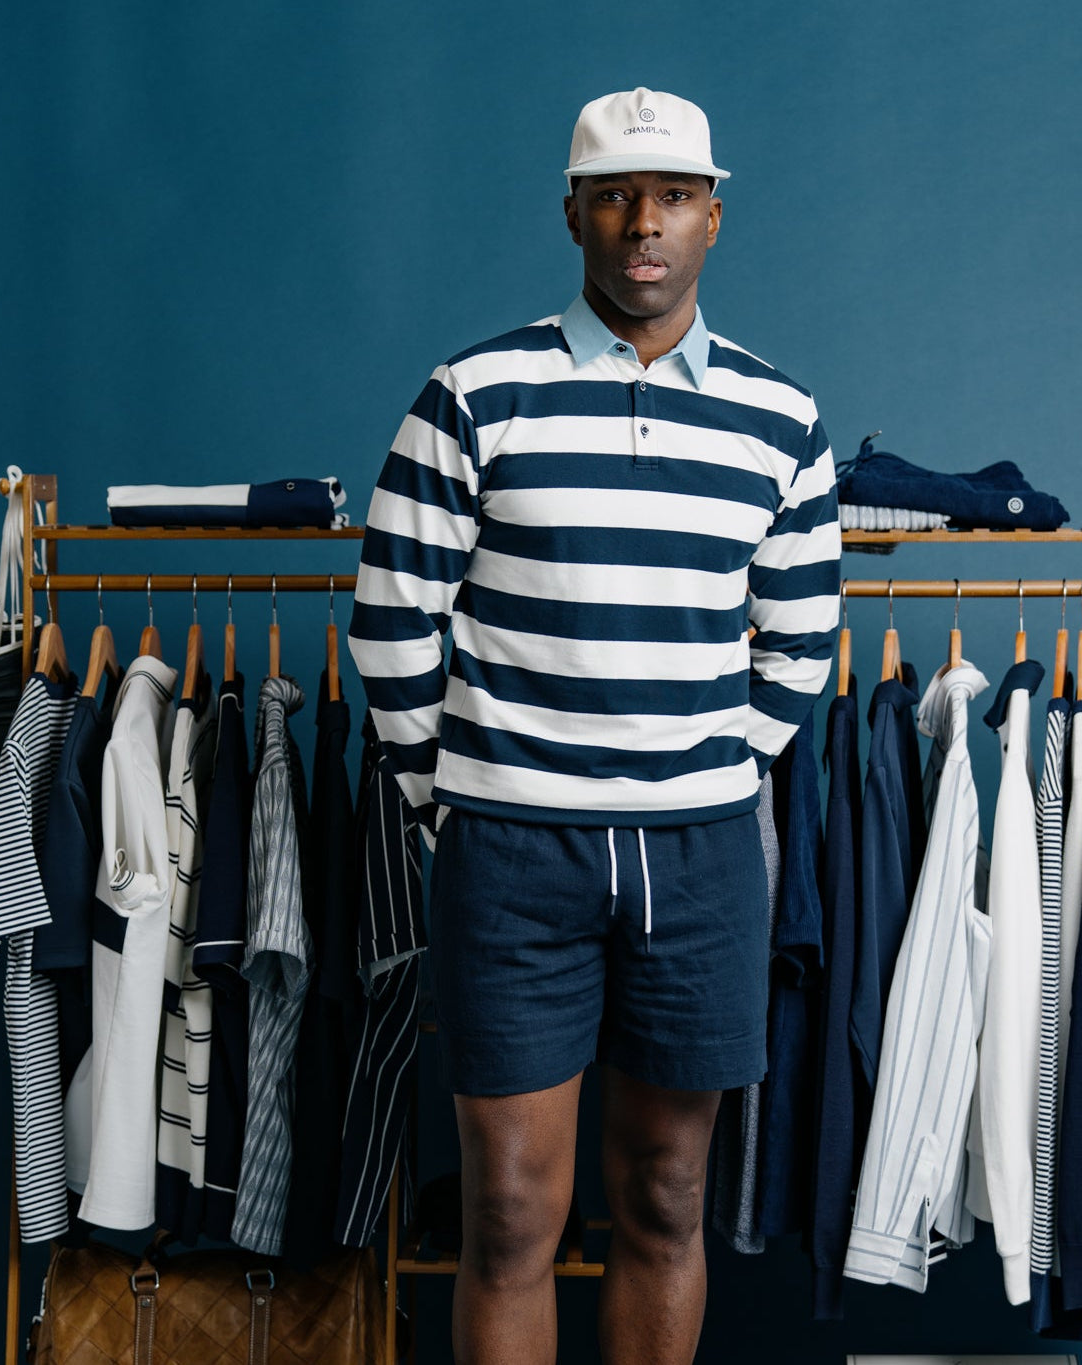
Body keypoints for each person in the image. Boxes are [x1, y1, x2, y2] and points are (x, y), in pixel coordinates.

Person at [348, 85, 841, 1365]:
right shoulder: (474, 393)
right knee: (511, 1210)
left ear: (714, 219)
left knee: (666, 1200)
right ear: (573, 213)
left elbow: (801, 641)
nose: (645, 224)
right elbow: (393, 623)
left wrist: (716, 773)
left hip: (701, 853)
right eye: (618, 196)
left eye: (673, 195)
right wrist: (449, 800)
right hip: (514, 848)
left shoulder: (781, 420)